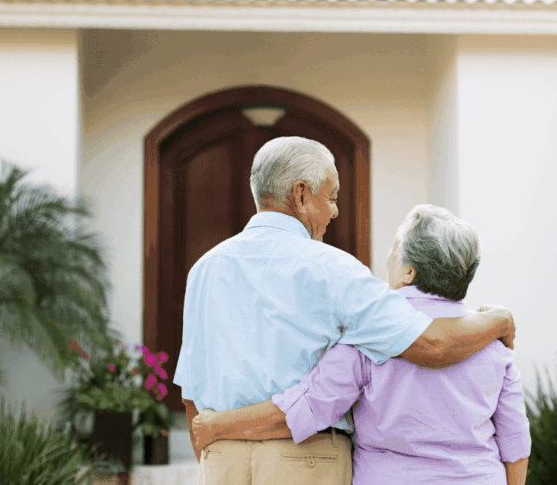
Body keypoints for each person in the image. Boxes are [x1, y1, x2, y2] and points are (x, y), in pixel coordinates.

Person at [174, 137, 516, 485]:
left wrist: (213, 454)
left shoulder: (204, 268)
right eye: (332, 197)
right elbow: (431, 345)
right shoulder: (334, 268)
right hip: (305, 459)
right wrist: (498, 320)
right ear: (301, 195)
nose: (335, 210)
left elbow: (190, 392)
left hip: (220, 460)